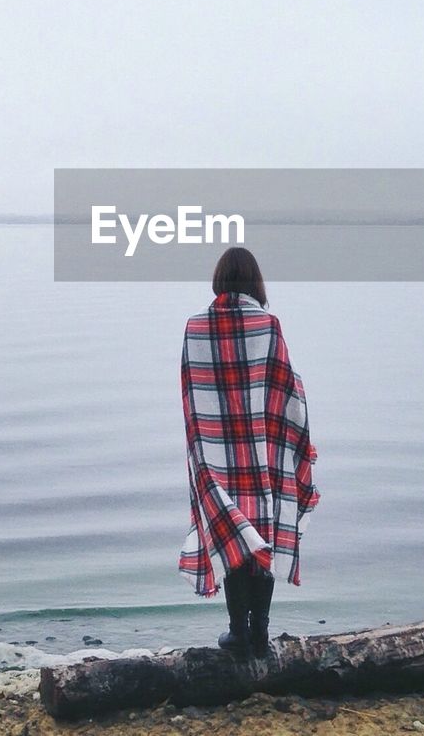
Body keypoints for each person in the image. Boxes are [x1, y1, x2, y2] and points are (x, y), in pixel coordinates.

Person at [178, 247, 319, 658]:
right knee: (264, 535)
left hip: (215, 453)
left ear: (219, 281)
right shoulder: (269, 326)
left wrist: (200, 455)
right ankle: (260, 633)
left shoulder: (195, 327)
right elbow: (288, 392)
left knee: (234, 538)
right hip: (263, 451)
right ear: (256, 282)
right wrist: (295, 443)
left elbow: (190, 395)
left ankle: (238, 631)